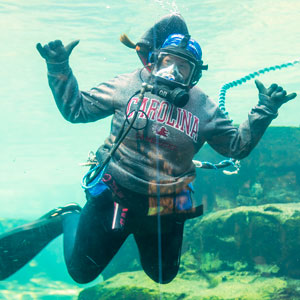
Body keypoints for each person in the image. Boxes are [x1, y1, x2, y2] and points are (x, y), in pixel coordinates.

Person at [0, 13, 297, 284]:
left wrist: (264, 110)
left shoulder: (204, 108)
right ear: (154, 60)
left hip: (166, 205)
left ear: (194, 75)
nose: (172, 71)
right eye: (167, 61)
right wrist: (59, 67)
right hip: (115, 196)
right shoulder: (129, 84)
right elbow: (76, 110)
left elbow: (235, 147)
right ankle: (67, 217)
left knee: (163, 276)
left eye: (182, 67)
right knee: (81, 273)